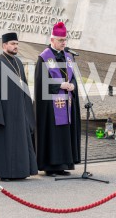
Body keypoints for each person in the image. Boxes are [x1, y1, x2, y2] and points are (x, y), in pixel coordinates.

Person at [0, 32, 38, 181]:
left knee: (21, 140)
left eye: (17, 44)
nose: (15, 46)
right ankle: (5, 172)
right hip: (4, 112)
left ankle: (21, 171)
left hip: (20, 111)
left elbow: (24, 87)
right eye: (12, 44)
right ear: (4, 45)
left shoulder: (19, 63)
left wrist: (27, 110)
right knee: (5, 143)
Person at [34, 22, 81, 177]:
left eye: (65, 40)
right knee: (53, 134)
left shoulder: (68, 57)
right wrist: (60, 84)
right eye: (61, 40)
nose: (64, 43)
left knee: (65, 133)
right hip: (50, 104)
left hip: (66, 101)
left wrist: (73, 86)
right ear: (52, 40)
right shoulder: (44, 58)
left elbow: (73, 78)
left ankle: (63, 164)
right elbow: (41, 82)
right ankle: (51, 166)